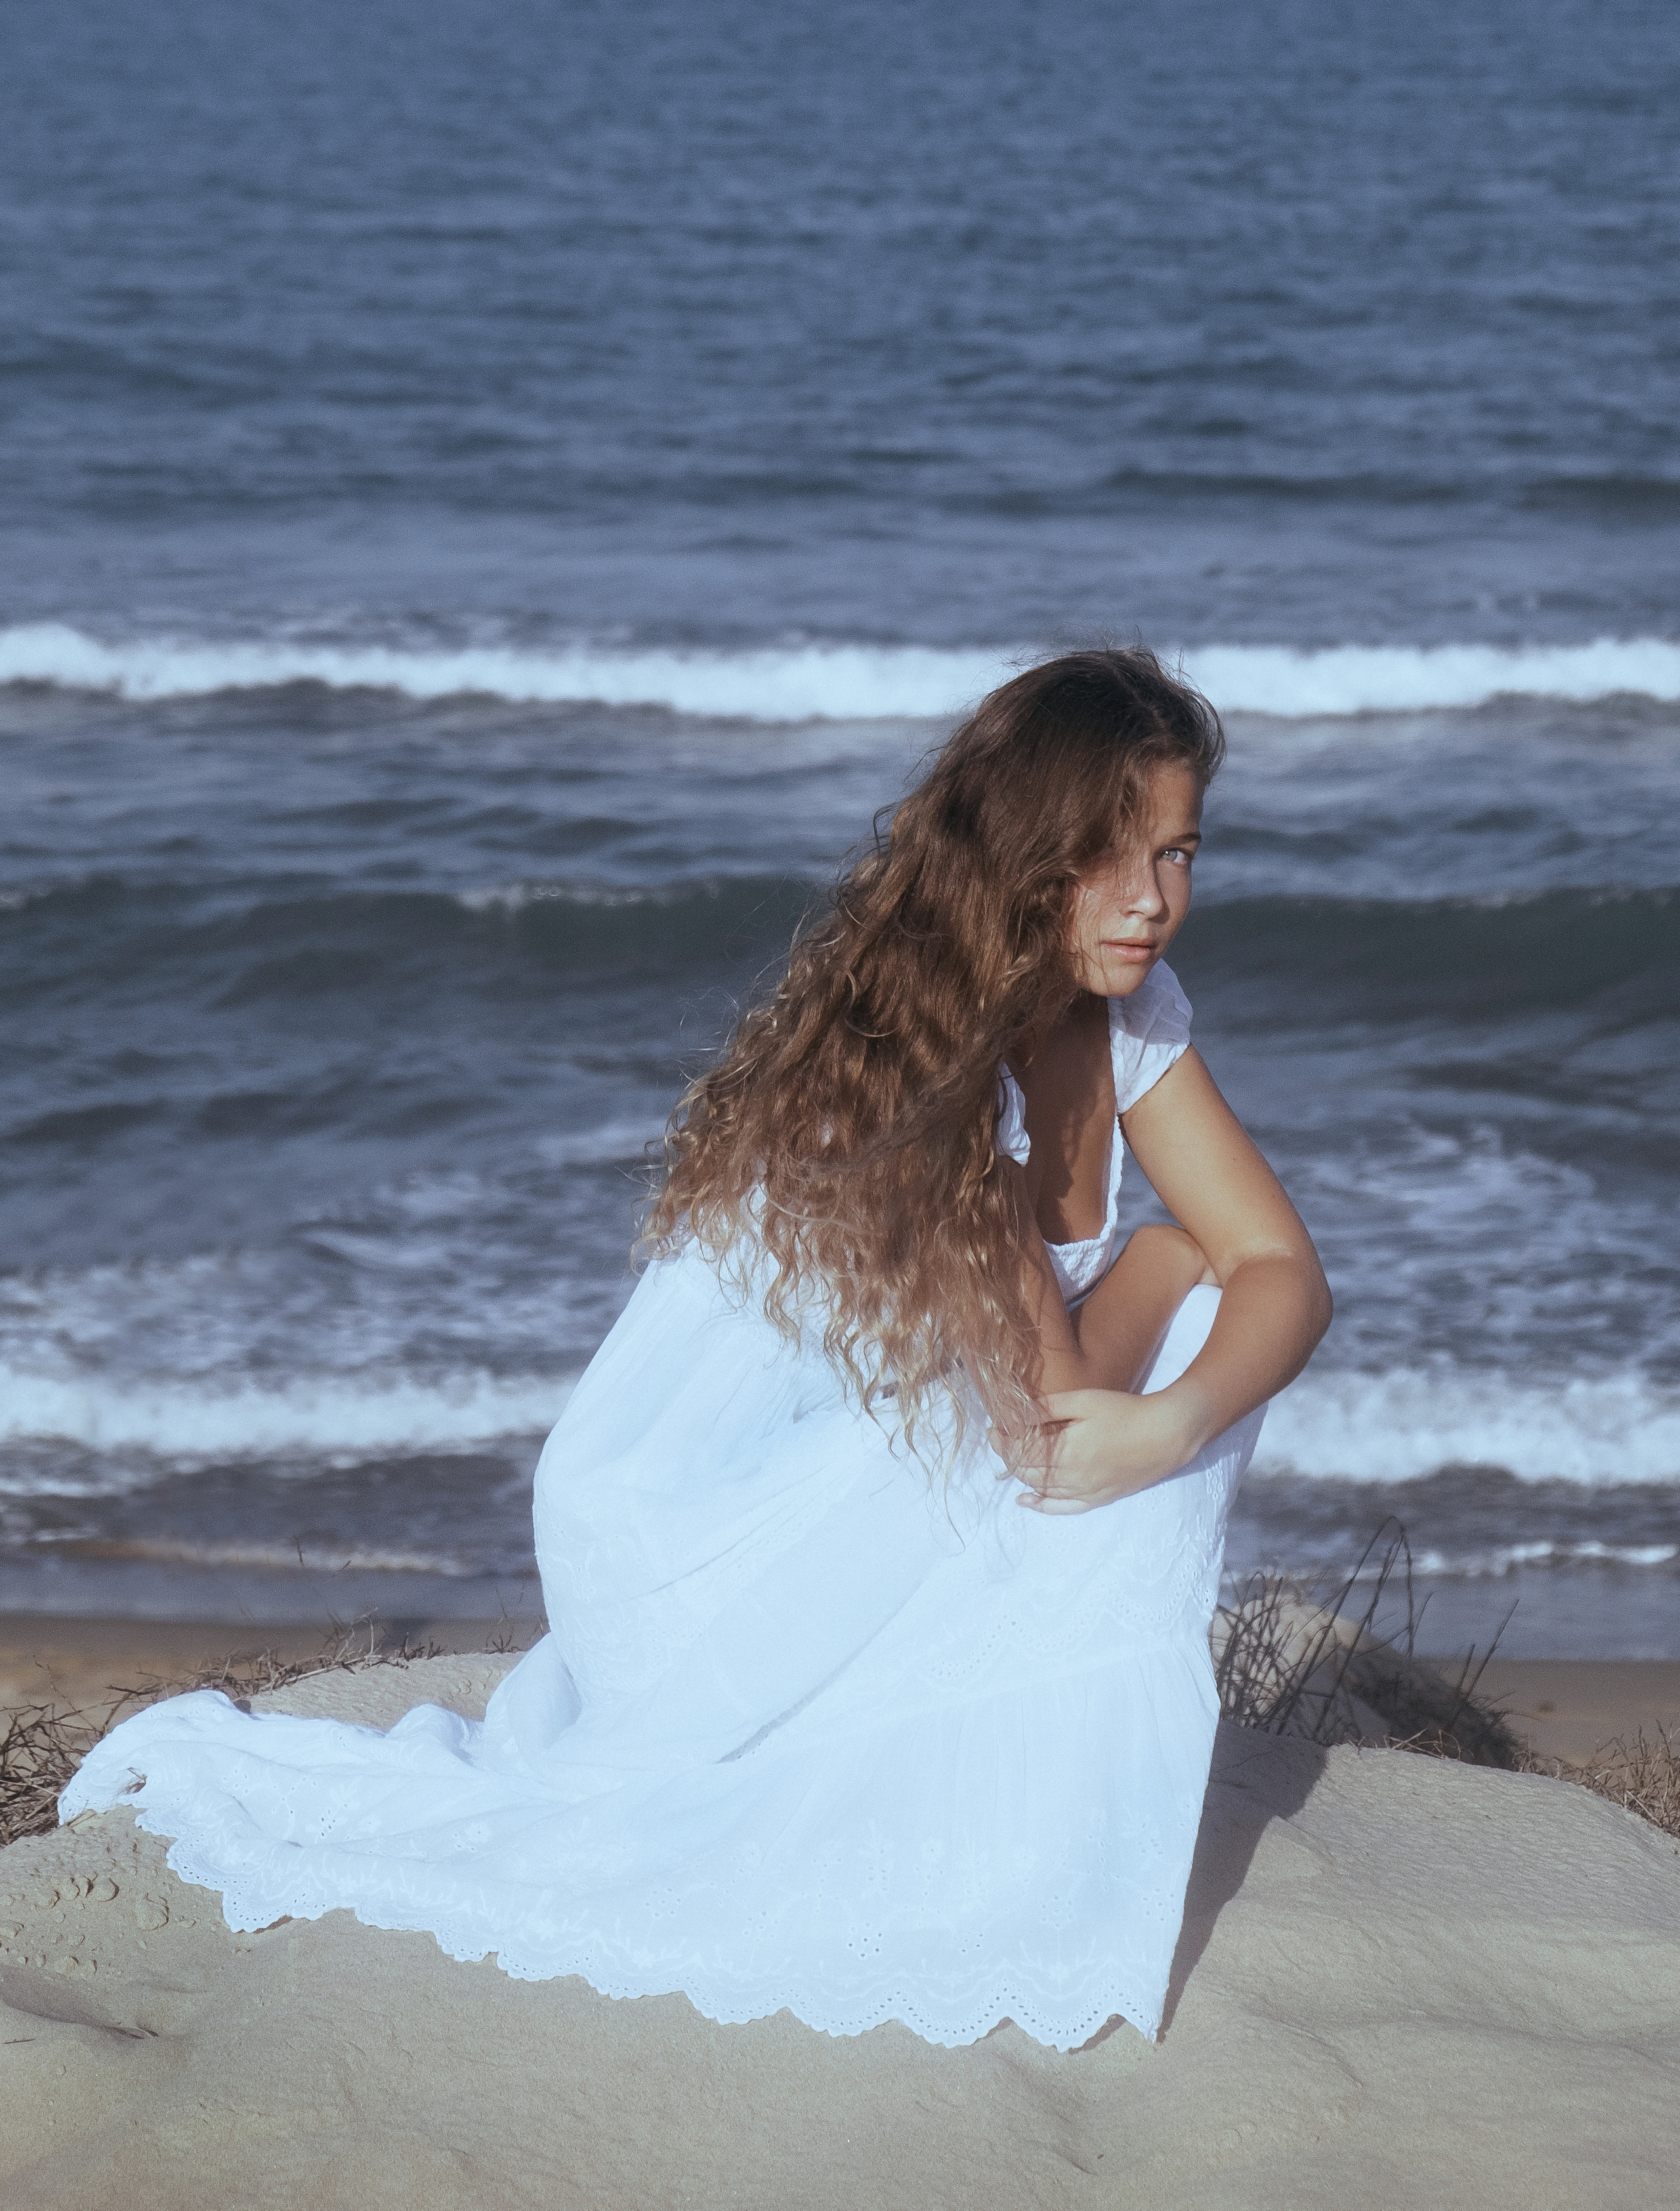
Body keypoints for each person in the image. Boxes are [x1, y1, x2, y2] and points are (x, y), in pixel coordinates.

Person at [64, 648, 1331, 2050]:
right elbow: (1055, 1427)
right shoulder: (935, 1071)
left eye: (1177, 852)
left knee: (1203, 1363)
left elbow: (1288, 1275)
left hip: (873, 1467)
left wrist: (1179, 1410)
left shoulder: (1124, 1015)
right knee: (1165, 1347)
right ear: (1026, 857)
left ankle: (1028, 1758)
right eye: (1105, 855)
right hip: (681, 1547)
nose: (1150, 898)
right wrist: (1161, 1261)